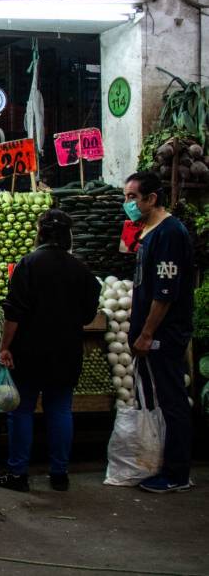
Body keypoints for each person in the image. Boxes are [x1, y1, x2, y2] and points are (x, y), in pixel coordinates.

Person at [0, 209, 101, 493]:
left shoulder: (27, 264)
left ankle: (18, 474)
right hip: (66, 350)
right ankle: (59, 474)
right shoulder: (81, 269)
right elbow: (89, 315)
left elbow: (13, 313)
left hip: (30, 350)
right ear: (68, 235)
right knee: (61, 410)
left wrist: (5, 347)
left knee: (21, 411)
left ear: (40, 232)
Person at [123, 171, 195, 493]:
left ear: (151, 198)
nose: (128, 204)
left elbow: (164, 292)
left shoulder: (169, 233)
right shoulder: (150, 231)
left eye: (132, 198)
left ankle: (177, 473)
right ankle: (165, 465)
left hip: (164, 335)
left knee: (173, 401)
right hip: (154, 333)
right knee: (165, 400)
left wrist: (147, 333)